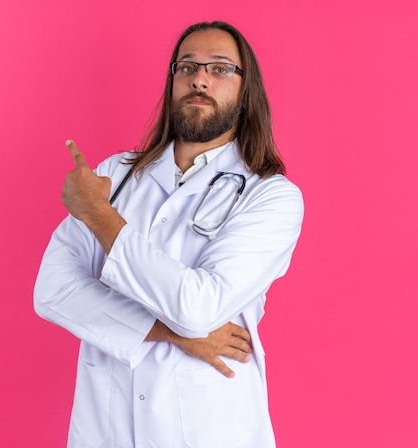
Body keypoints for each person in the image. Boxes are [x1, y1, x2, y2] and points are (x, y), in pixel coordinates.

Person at [34, 20, 304, 448]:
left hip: (209, 431)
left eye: (219, 68)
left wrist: (101, 217)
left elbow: (198, 306)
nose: (199, 78)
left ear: (245, 89)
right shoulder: (115, 176)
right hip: (107, 429)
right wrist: (172, 333)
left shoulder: (271, 196)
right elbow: (51, 290)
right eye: (187, 66)